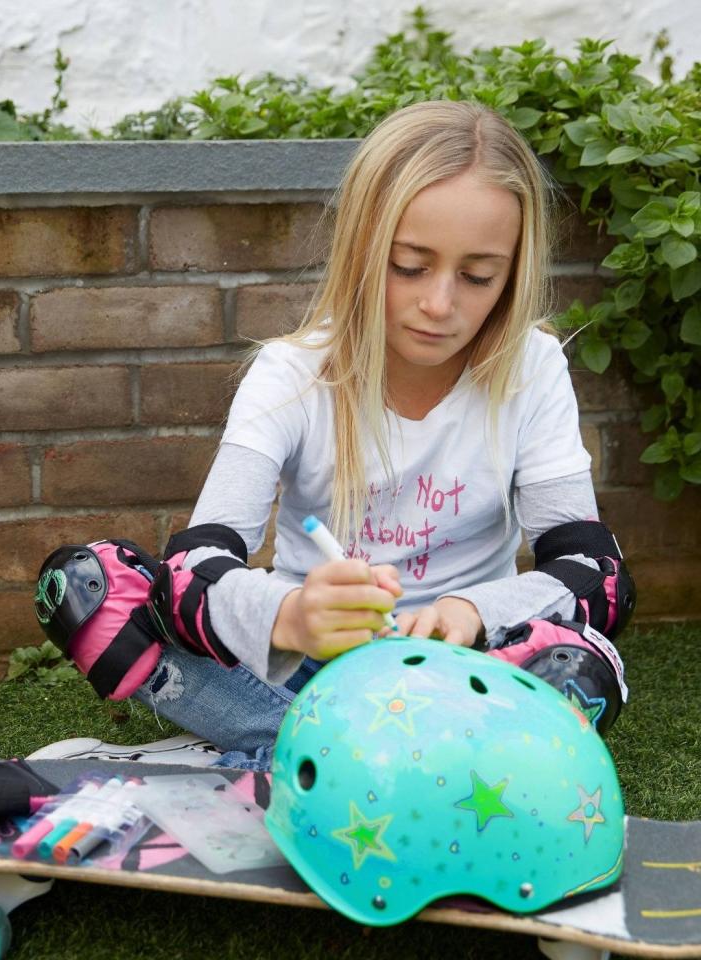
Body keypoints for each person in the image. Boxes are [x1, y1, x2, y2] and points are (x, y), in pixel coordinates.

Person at [43, 99, 634, 769]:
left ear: (513, 273)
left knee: (579, 665)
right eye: (409, 266)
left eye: (477, 276)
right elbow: (189, 574)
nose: (440, 304)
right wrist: (292, 616)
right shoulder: (291, 374)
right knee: (88, 588)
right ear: (362, 248)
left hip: (463, 676)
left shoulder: (530, 369)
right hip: (307, 670)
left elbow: (597, 576)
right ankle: (396, 763)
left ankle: (284, 749)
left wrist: (472, 611)